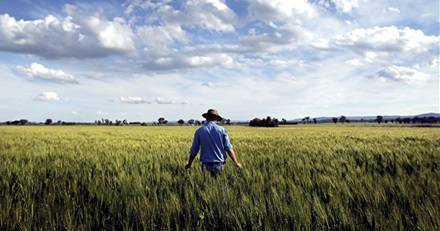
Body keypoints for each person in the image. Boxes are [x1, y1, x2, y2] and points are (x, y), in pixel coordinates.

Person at [185, 109, 242, 175]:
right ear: (216, 118)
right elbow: (228, 148)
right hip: (219, 164)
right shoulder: (222, 130)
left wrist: (189, 163)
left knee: (206, 184)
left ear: (206, 118)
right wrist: (236, 162)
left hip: (205, 164)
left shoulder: (199, 131)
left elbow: (194, 150)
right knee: (218, 184)